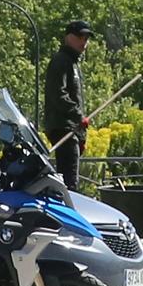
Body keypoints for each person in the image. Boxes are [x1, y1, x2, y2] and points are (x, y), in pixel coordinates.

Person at [44, 20, 93, 190]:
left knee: (69, 177)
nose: (84, 42)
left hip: (70, 129)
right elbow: (58, 94)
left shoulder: (73, 63)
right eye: (80, 37)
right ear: (68, 37)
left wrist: (81, 135)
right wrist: (78, 117)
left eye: (86, 38)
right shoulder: (61, 61)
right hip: (63, 128)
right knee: (69, 182)